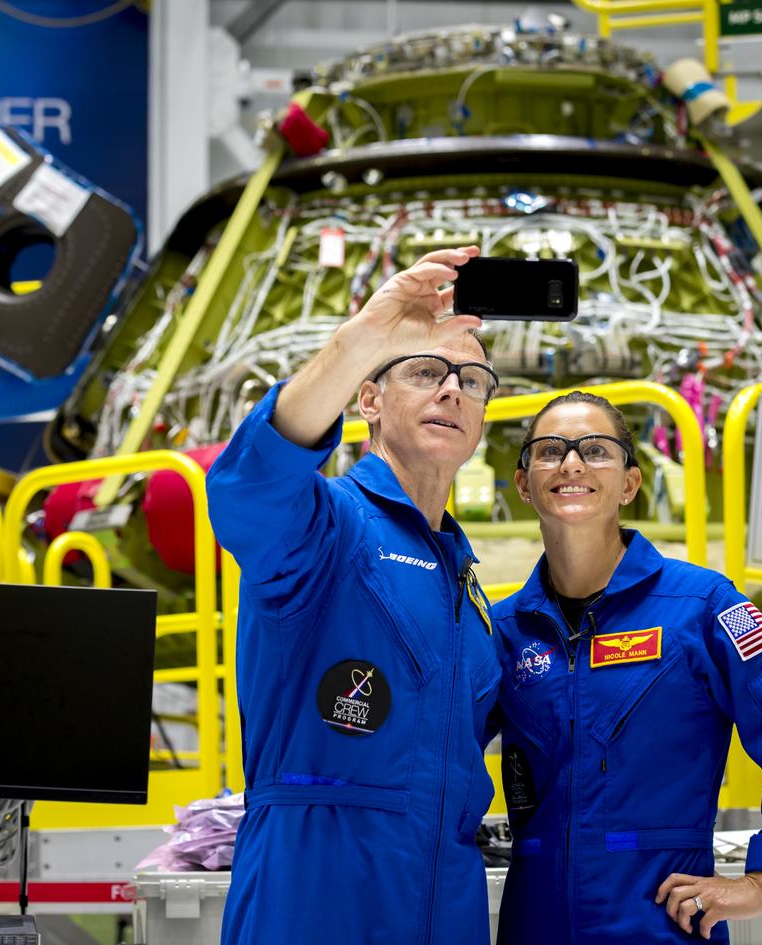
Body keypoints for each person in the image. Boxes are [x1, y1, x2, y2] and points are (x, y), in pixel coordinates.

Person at [207, 247, 502, 945]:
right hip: (313, 896)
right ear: (367, 398)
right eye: (426, 371)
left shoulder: (468, 583)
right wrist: (363, 337)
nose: (452, 390)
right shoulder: (325, 527)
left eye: (471, 379)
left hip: (443, 899)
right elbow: (250, 487)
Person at [491, 390, 762, 943]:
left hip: (661, 922)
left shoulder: (703, 606)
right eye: (548, 451)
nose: (571, 462)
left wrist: (760, 883)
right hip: (534, 924)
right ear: (523, 483)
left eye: (595, 450)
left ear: (630, 484)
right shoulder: (503, 630)